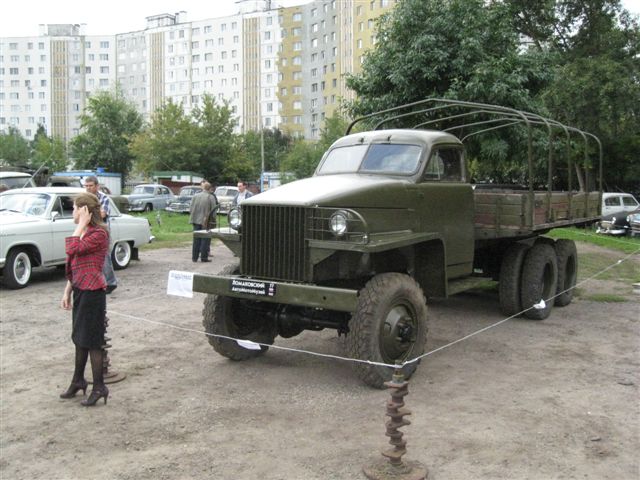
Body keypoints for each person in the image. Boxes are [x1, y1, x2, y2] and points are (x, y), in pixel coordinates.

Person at [59, 192, 110, 407]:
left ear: (85, 211)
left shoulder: (98, 233)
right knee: (79, 338)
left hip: (93, 293)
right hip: (81, 289)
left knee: (92, 342)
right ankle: (78, 380)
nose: (73, 212)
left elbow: (72, 248)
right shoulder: (87, 231)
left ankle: (99, 386)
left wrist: (80, 225)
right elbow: (76, 262)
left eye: (75, 209)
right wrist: (67, 290)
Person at [84, 176, 117, 294]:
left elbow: (102, 214)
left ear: (97, 186)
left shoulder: (103, 198)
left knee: (104, 257)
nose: (88, 188)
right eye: (86, 186)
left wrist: (87, 215)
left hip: (102, 231)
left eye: (90, 186)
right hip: (88, 230)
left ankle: (110, 283)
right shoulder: (84, 198)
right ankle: (95, 282)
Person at [189, 181, 217, 262]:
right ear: (210, 188)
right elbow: (213, 211)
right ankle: (204, 258)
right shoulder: (211, 197)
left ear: (203, 188)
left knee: (196, 239)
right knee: (205, 239)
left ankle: (194, 258)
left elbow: (191, 208)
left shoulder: (195, 196)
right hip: (206, 222)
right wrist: (213, 220)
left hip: (195, 220)